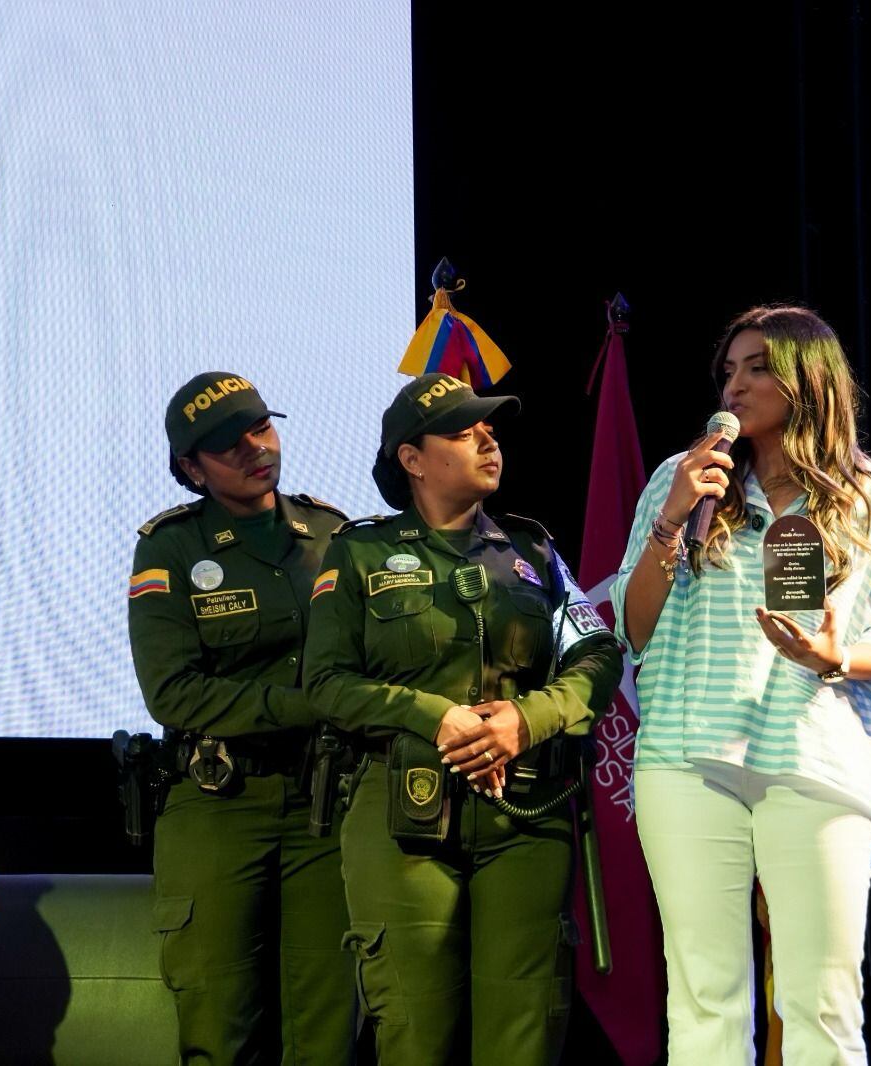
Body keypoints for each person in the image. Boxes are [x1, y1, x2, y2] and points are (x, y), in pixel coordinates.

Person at [611, 306, 871, 1065]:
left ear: (805, 378)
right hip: (688, 756)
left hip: (816, 755)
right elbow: (633, 626)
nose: (735, 384)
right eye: (728, 370)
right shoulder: (681, 479)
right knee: (703, 1001)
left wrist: (836, 658)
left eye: (756, 367)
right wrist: (672, 517)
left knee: (822, 1004)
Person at [302, 372, 623, 1066]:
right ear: (411, 459)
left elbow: (597, 653)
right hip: (400, 819)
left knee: (524, 1034)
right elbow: (325, 682)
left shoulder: (533, 553)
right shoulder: (356, 553)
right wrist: (434, 716)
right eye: (461, 429)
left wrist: (527, 719)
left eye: (490, 427)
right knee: (414, 1035)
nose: (488, 438)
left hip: (527, 817)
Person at [128, 371, 355, 1065]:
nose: (257, 449)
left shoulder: (331, 532)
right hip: (220, 804)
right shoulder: (169, 547)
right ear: (191, 469)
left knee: (328, 1029)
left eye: (261, 427)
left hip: (325, 806)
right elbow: (173, 694)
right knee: (219, 1026)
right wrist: (309, 704)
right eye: (229, 446)